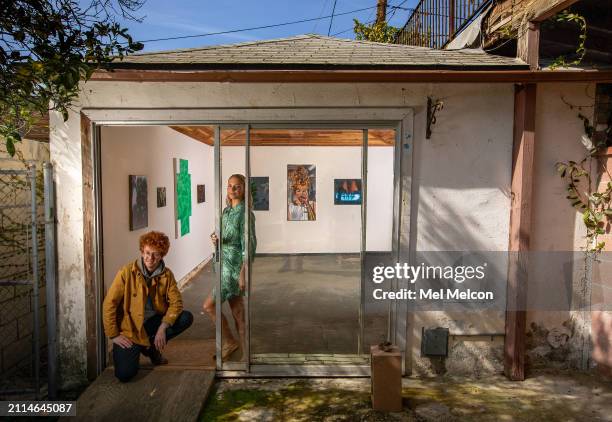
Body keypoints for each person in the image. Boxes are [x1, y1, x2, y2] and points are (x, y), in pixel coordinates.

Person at [103, 231, 193, 382]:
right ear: (142, 251)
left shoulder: (167, 275)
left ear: (162, 255)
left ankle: (149, 345)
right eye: (147, 253)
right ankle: (147, 347)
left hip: (153, 323)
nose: (150, 258)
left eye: (156, 254)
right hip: (130, 328)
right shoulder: (126, 272)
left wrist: (163, 327)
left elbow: (176, 303)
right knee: (124, 375)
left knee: (185, 317)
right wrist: (114, 335)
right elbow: (109, 304)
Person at [203, 174, 256, 360]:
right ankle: (241, 349)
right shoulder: (225, 212)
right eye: (229, 186)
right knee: (238, 312)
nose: (232, 190)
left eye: (237, 187)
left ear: (243, 189)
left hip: (233, 268)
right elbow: (221, 235)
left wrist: (243, 273)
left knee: (209, 305)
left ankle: (232, 344)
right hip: (222, 264)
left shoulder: (245, 214)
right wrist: (214, 239)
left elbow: (249, 245)